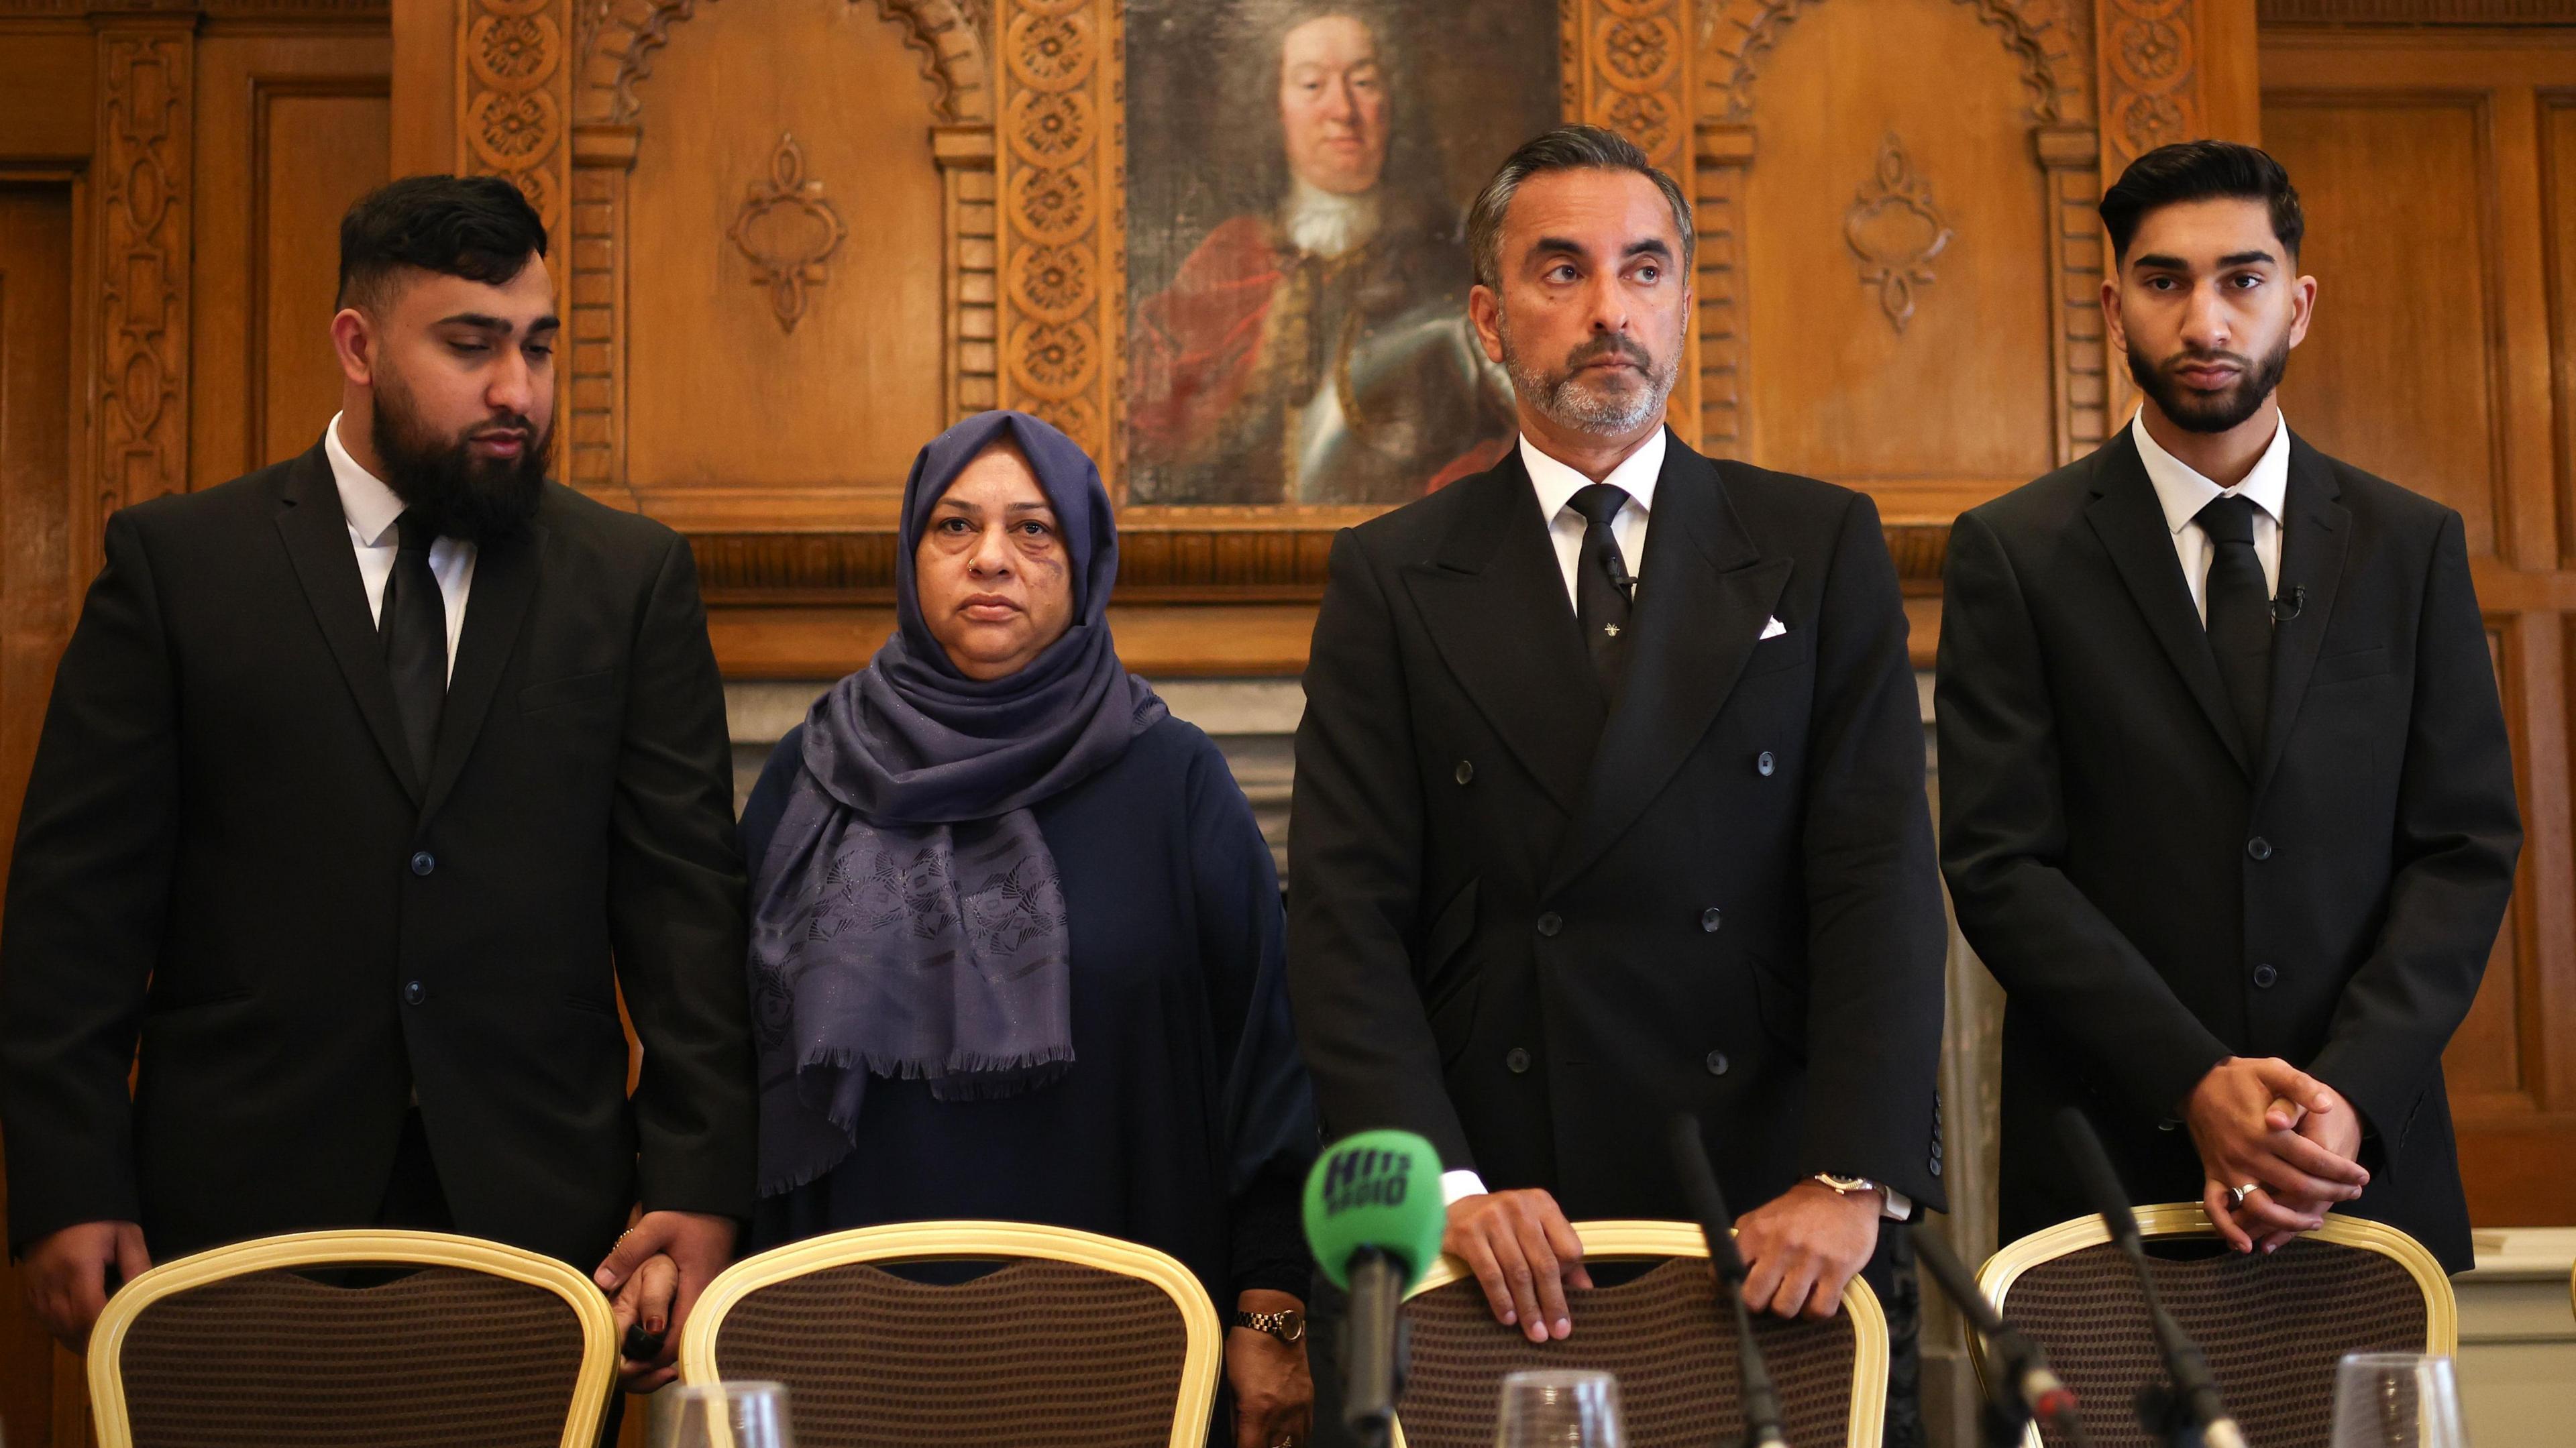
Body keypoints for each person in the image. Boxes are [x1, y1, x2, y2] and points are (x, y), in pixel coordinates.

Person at [0, 176, 752, 1387]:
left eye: (539, 345)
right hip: (231, 1224)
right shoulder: (179, 568)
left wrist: (698, 1185)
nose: (518, 387)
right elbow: (72, 917)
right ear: (357, 344)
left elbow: (686, 918)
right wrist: (65, 1180)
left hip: (546, 1228)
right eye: (472, 344)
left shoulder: (629, 580)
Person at [1287, 125, 1945, 1443]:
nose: (1609, 310)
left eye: (1644, 271)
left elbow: (1876, 874)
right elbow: (1345, 917)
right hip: (1504, 1226)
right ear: (1487, 317)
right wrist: (1449, 1186)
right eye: (1561, 271)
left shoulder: (1815, 543)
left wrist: (1854, 1173)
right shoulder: (1392, 572)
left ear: (1683, 303)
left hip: (1772, 1210)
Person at [1937, 141, 2521, 1273]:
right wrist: (2194, 1082)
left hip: (2360, 1164)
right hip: (2111, 1168)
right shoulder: (2012, 553)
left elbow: (2464, 846)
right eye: (2165, 282)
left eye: (2242, 280)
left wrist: (2348, 1090)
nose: (2206, 319)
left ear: (2297, 306)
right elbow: (1999, 865)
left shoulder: (2413, 546)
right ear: (2114, 307)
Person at [737, 410, 1319, 1448]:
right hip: (843, 1343)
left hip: (1126, 1352)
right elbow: (728, 1046)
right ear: (912, 551)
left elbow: (1270, 1075)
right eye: (954, 527)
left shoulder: (1176, 781)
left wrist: (1272, 1315)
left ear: (1086, 557)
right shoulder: (813, 771)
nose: (992, 558)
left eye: (1034, 530)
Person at [1128, 0, 1513, 506]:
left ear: (1394, 102)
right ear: (1274, 107)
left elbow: (1523, 431)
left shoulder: (1451, 255)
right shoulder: (1231, 259)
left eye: (1364, 82)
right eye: (1312, 86)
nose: (1343, 111)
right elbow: (1151, 442)